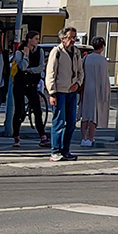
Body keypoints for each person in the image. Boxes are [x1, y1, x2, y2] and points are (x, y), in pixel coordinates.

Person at [46, 26, 86, 162]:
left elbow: (81, 71)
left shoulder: (76, 53)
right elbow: (50, 73)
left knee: (71, 122)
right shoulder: (56, 52)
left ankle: (65, 150)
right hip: (60, 91)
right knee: (59, 121)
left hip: (72, 91)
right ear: (62, 39)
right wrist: (52, 92)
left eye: (74, 37)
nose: (73, 40)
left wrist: (78, 84)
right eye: (70, 37)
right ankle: (55, 151)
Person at [12, 31, 46, 147]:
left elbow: (41, 67)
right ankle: (16, 136)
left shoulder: (39, 51)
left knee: (37, 110)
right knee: (19, 110)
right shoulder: (20, 50)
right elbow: (21, 67)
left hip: (32, 83)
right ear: (29, 39)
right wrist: (26, 56)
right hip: (20, 84)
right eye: (36, 39)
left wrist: (30, 70)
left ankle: (43, 136)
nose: (38, 41)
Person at [80, 37, 112, 148]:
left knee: (85, 114)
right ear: (102, 47)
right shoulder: (102, 60)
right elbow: (104, 78)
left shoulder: (86, 58)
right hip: (97, 90)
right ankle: (91, 138)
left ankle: (83, 138)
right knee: (94, 116)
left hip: (86, 89)